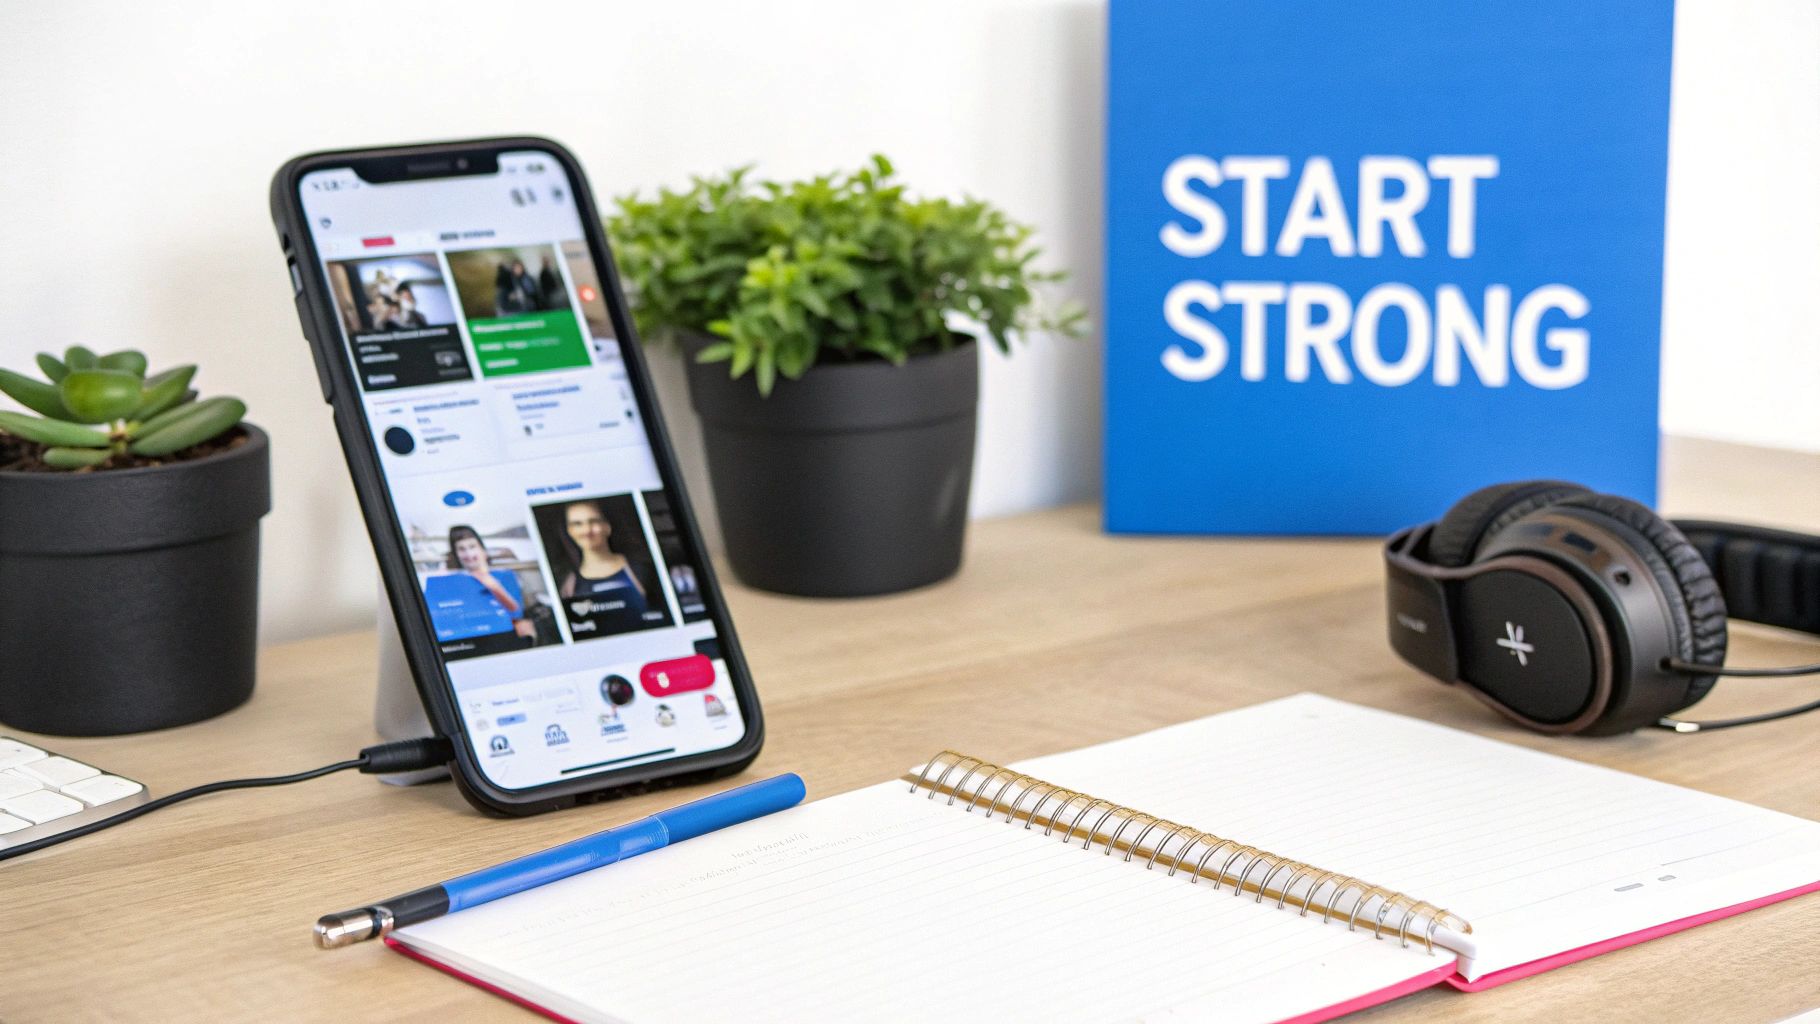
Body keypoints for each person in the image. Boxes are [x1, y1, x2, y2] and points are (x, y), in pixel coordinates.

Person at [557, 501, 652, 631]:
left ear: (607, 526)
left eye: (593, 521)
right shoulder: (568, 585)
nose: (587, 530)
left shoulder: (642, 569)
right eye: (577, 524)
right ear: (569, 531)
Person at [442, 525, 536, 641]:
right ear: (456, 554)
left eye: (472, 546)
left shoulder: (505, 575)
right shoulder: (454, 581)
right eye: (461, 549)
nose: (469, 554)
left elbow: (516, 613)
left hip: (504, 632)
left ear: (482, 549)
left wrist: (493, 586)